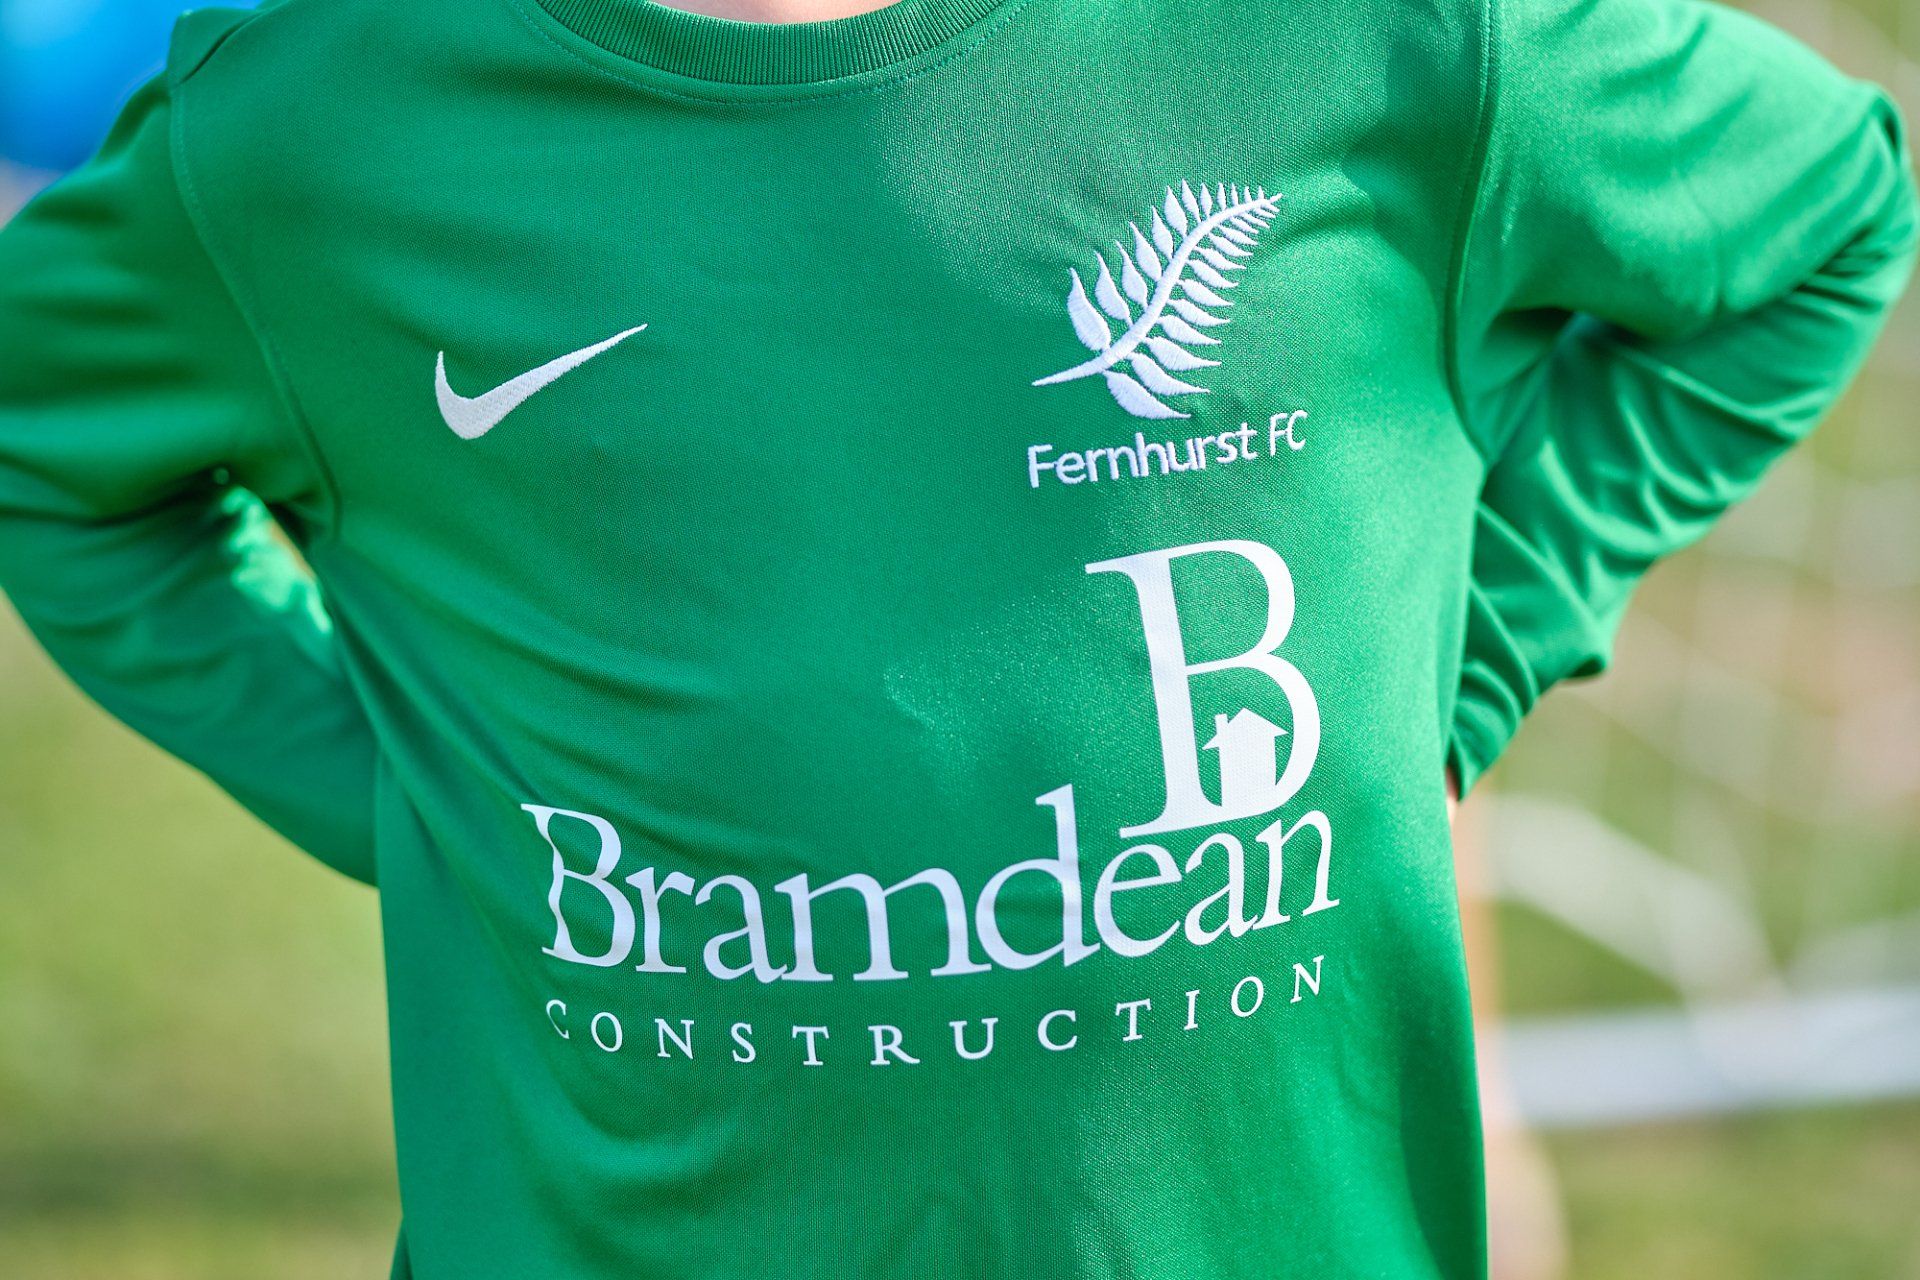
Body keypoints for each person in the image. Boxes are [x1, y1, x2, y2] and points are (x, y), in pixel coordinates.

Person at [0, 0, 1912, 1275]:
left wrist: (1452, 665)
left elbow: (1819, 214)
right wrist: (414, 789)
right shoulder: (309, 136)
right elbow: (43, 451)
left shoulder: (1378, 34)